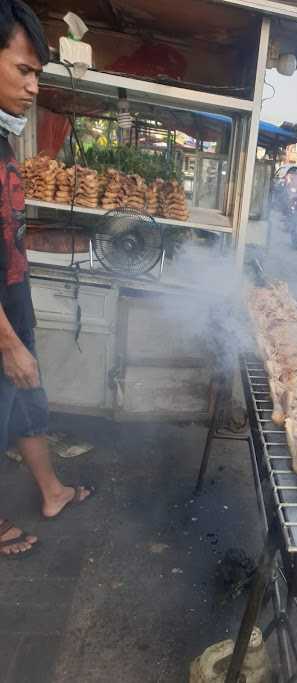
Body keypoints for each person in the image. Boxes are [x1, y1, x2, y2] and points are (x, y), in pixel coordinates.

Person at [0, 0, 92, 558]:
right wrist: (8, 342)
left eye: (39, 73)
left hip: (13, 296)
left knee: (29, 396)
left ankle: (52, 490)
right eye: (23, 70)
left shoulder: (4, 136)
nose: (34, 88)